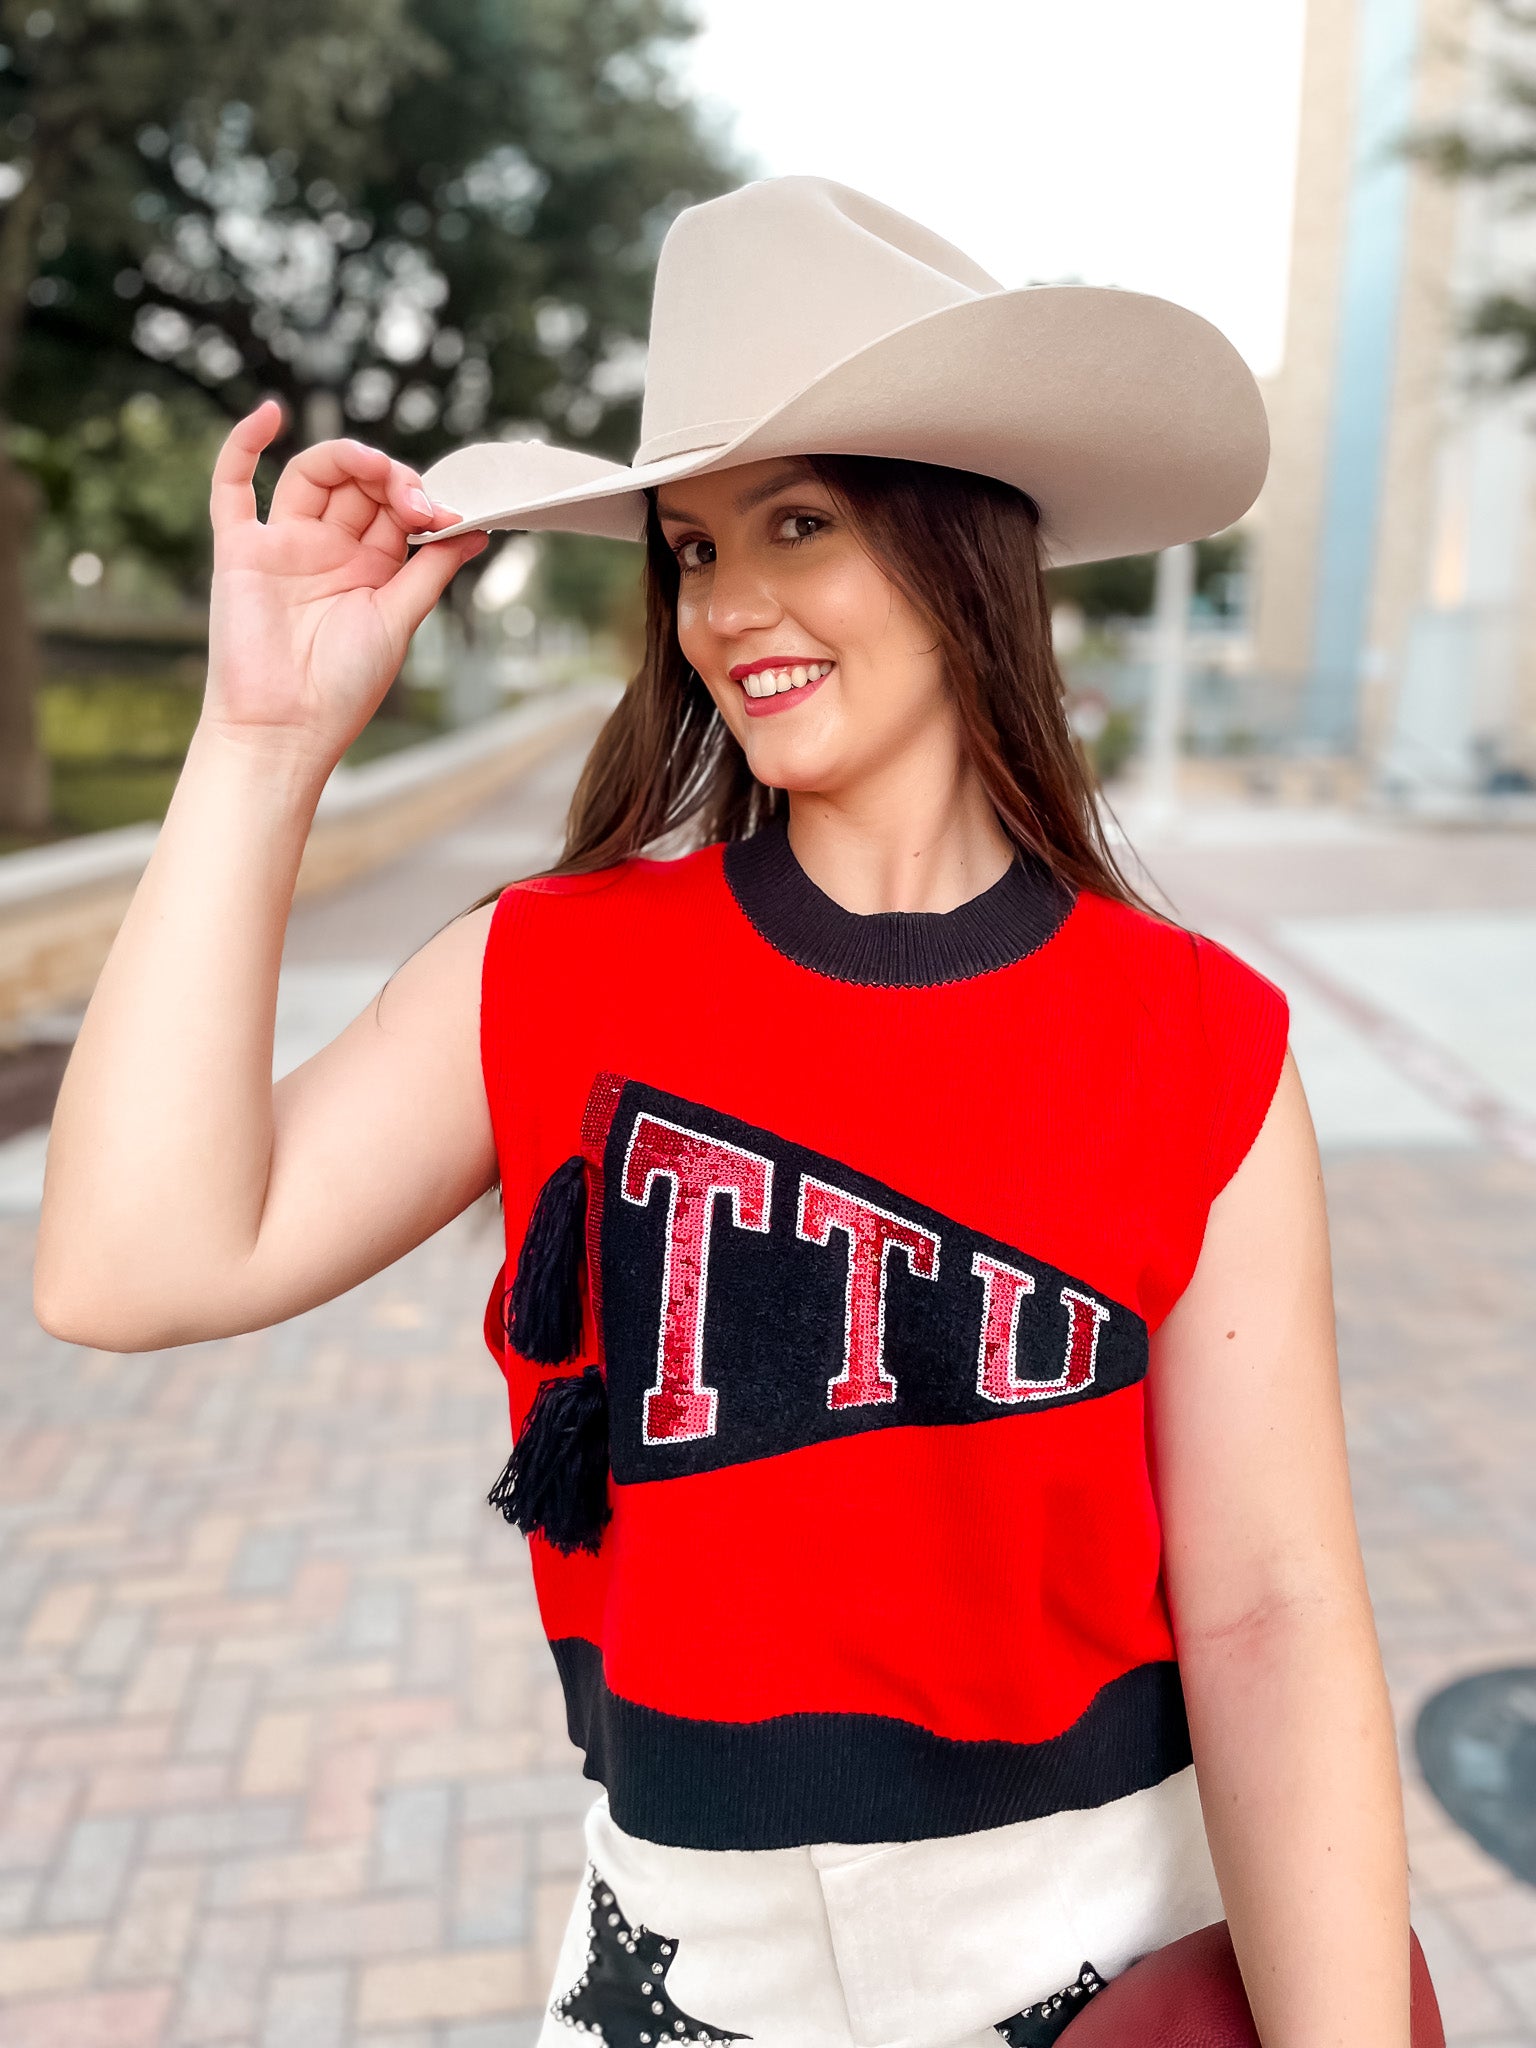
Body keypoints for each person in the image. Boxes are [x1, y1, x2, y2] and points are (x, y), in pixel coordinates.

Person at [33, 177, 1413, 2048]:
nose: (733, 604)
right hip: (686, 1967)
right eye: (691, 547)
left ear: (961, 548)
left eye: (801, 523)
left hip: (1111, 1949)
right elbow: (132, 1264)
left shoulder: (1197, 1038)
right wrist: (264, 741)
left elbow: (1266, 1613)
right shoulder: (557, 973)